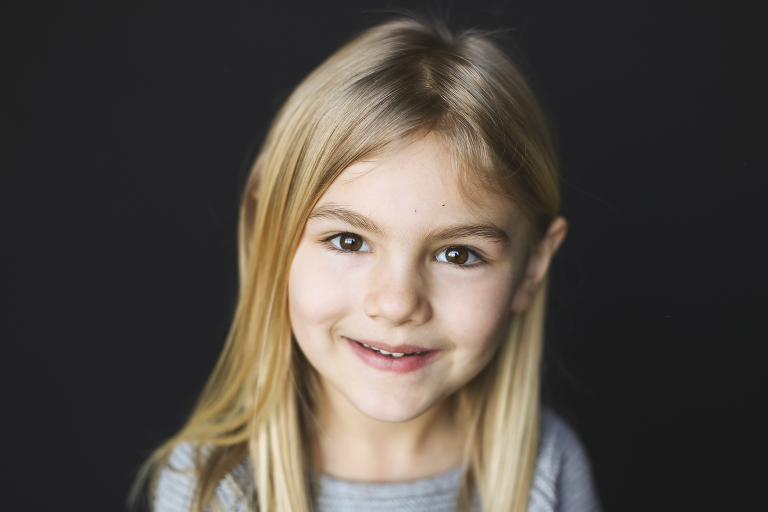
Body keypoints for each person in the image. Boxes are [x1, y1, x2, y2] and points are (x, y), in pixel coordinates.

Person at [136, 16, 600, 512]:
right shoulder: (211, 487)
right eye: (349, 241)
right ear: (267, 236)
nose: (398, 303)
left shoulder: (547, 469)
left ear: (532, 266)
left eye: (458, 254)